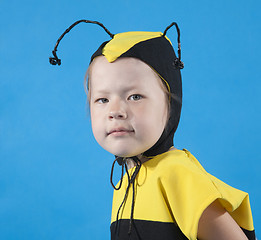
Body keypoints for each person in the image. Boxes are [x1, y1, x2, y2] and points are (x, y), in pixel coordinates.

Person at [49, 20, 256, 240]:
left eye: (135, 97)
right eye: (102, 99)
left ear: (171, 105)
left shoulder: (178, 175)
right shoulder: (126, 181)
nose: (115, 111)